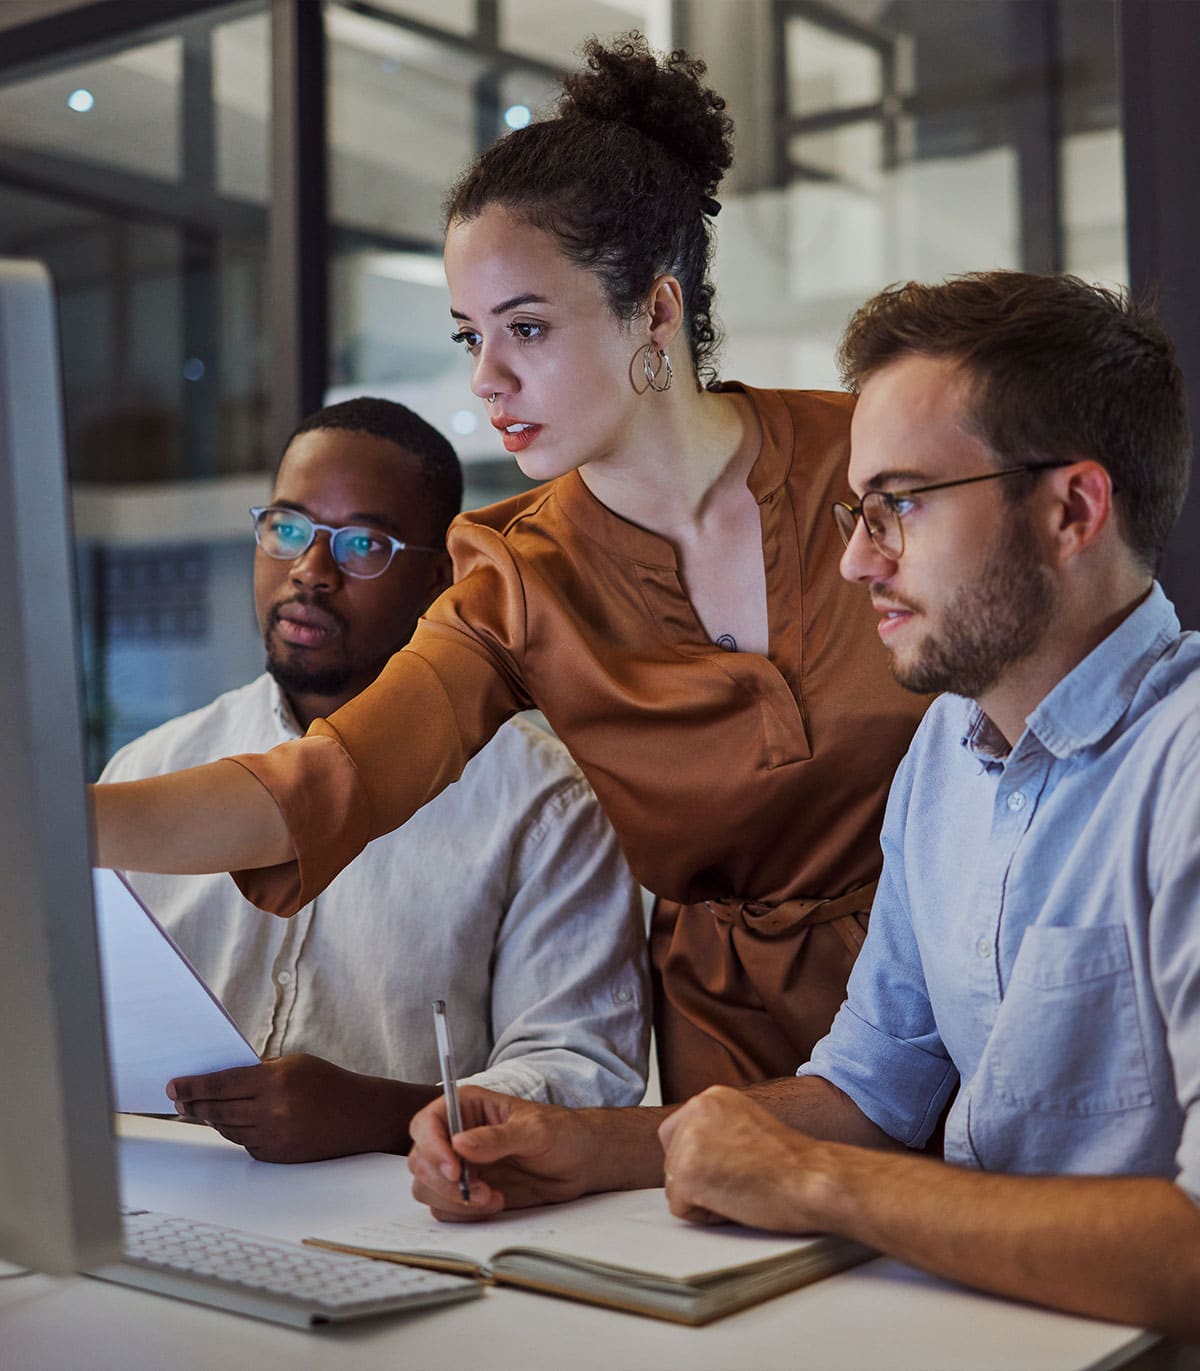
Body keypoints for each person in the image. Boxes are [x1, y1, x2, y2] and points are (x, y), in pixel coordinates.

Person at [92, 36, 927, 1101]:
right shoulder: (515, 576)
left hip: (962, 994)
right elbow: (321, 783)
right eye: (469, 337)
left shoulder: (875, 463)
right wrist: (56, 820)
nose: (488, 379)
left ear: (658, 312)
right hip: (733, 1061)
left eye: (525, 328)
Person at [405, 272, 1200, 1340]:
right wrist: (589, 1147)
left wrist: (817, 1185)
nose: (855, 559)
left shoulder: (1184, 767)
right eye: (856, 509)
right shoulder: (946, 757)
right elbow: (874, 1087)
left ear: (1072, 509)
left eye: (901, 505)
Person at [102, 396, 649, 1163]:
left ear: (439, 578)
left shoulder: (545, 803)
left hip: (408, 1216)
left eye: (363, 543)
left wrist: (381, 1114)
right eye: (287, 528)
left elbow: (585, 1073)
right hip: (153, 1192)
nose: (310, 571)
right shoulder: (154, 768)